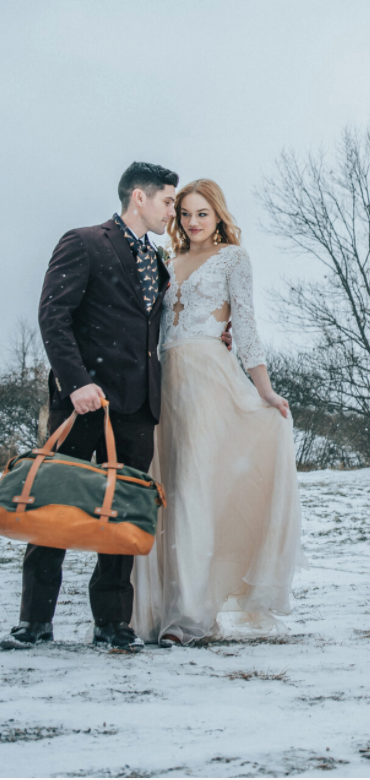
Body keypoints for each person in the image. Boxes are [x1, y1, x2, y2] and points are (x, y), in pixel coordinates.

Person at [2, 163, 179, 652]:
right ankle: (33, 623)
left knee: (122, 515)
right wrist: (77, 382)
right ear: (139, 198)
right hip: (85, 403)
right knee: (55, 506)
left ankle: (111, 624)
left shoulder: (158, 261)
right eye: (167, 200)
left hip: (140, 406)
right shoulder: (83, 242)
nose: (172, 210)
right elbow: (52, 315)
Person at [132, 179, 304, 646]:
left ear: (218, 215)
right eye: (185, 213)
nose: (192, 222)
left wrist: (264, 389)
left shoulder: (232, 259)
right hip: (166, 381)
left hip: (209, 377)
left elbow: (245, 323)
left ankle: (189, 616)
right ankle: (161, 612)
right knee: (165, 489)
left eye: (202, 213)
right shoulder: (167, 262)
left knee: (193, 490)